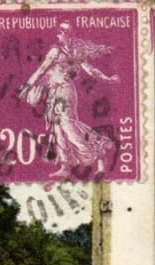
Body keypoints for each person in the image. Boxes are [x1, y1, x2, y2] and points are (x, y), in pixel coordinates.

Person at [18, 21, 118, 179]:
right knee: (57, 127)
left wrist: (107, 78)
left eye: (66, 31)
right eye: (60, 30)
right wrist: (27, 86)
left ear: (71, 33)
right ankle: (66, 166)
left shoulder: (76, 52)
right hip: (53, 92)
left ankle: (98, 152)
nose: (62, 33)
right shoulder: (54, 51)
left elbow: (90, 69)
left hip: (65, 90)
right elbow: (41, 70)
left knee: (67, 124)